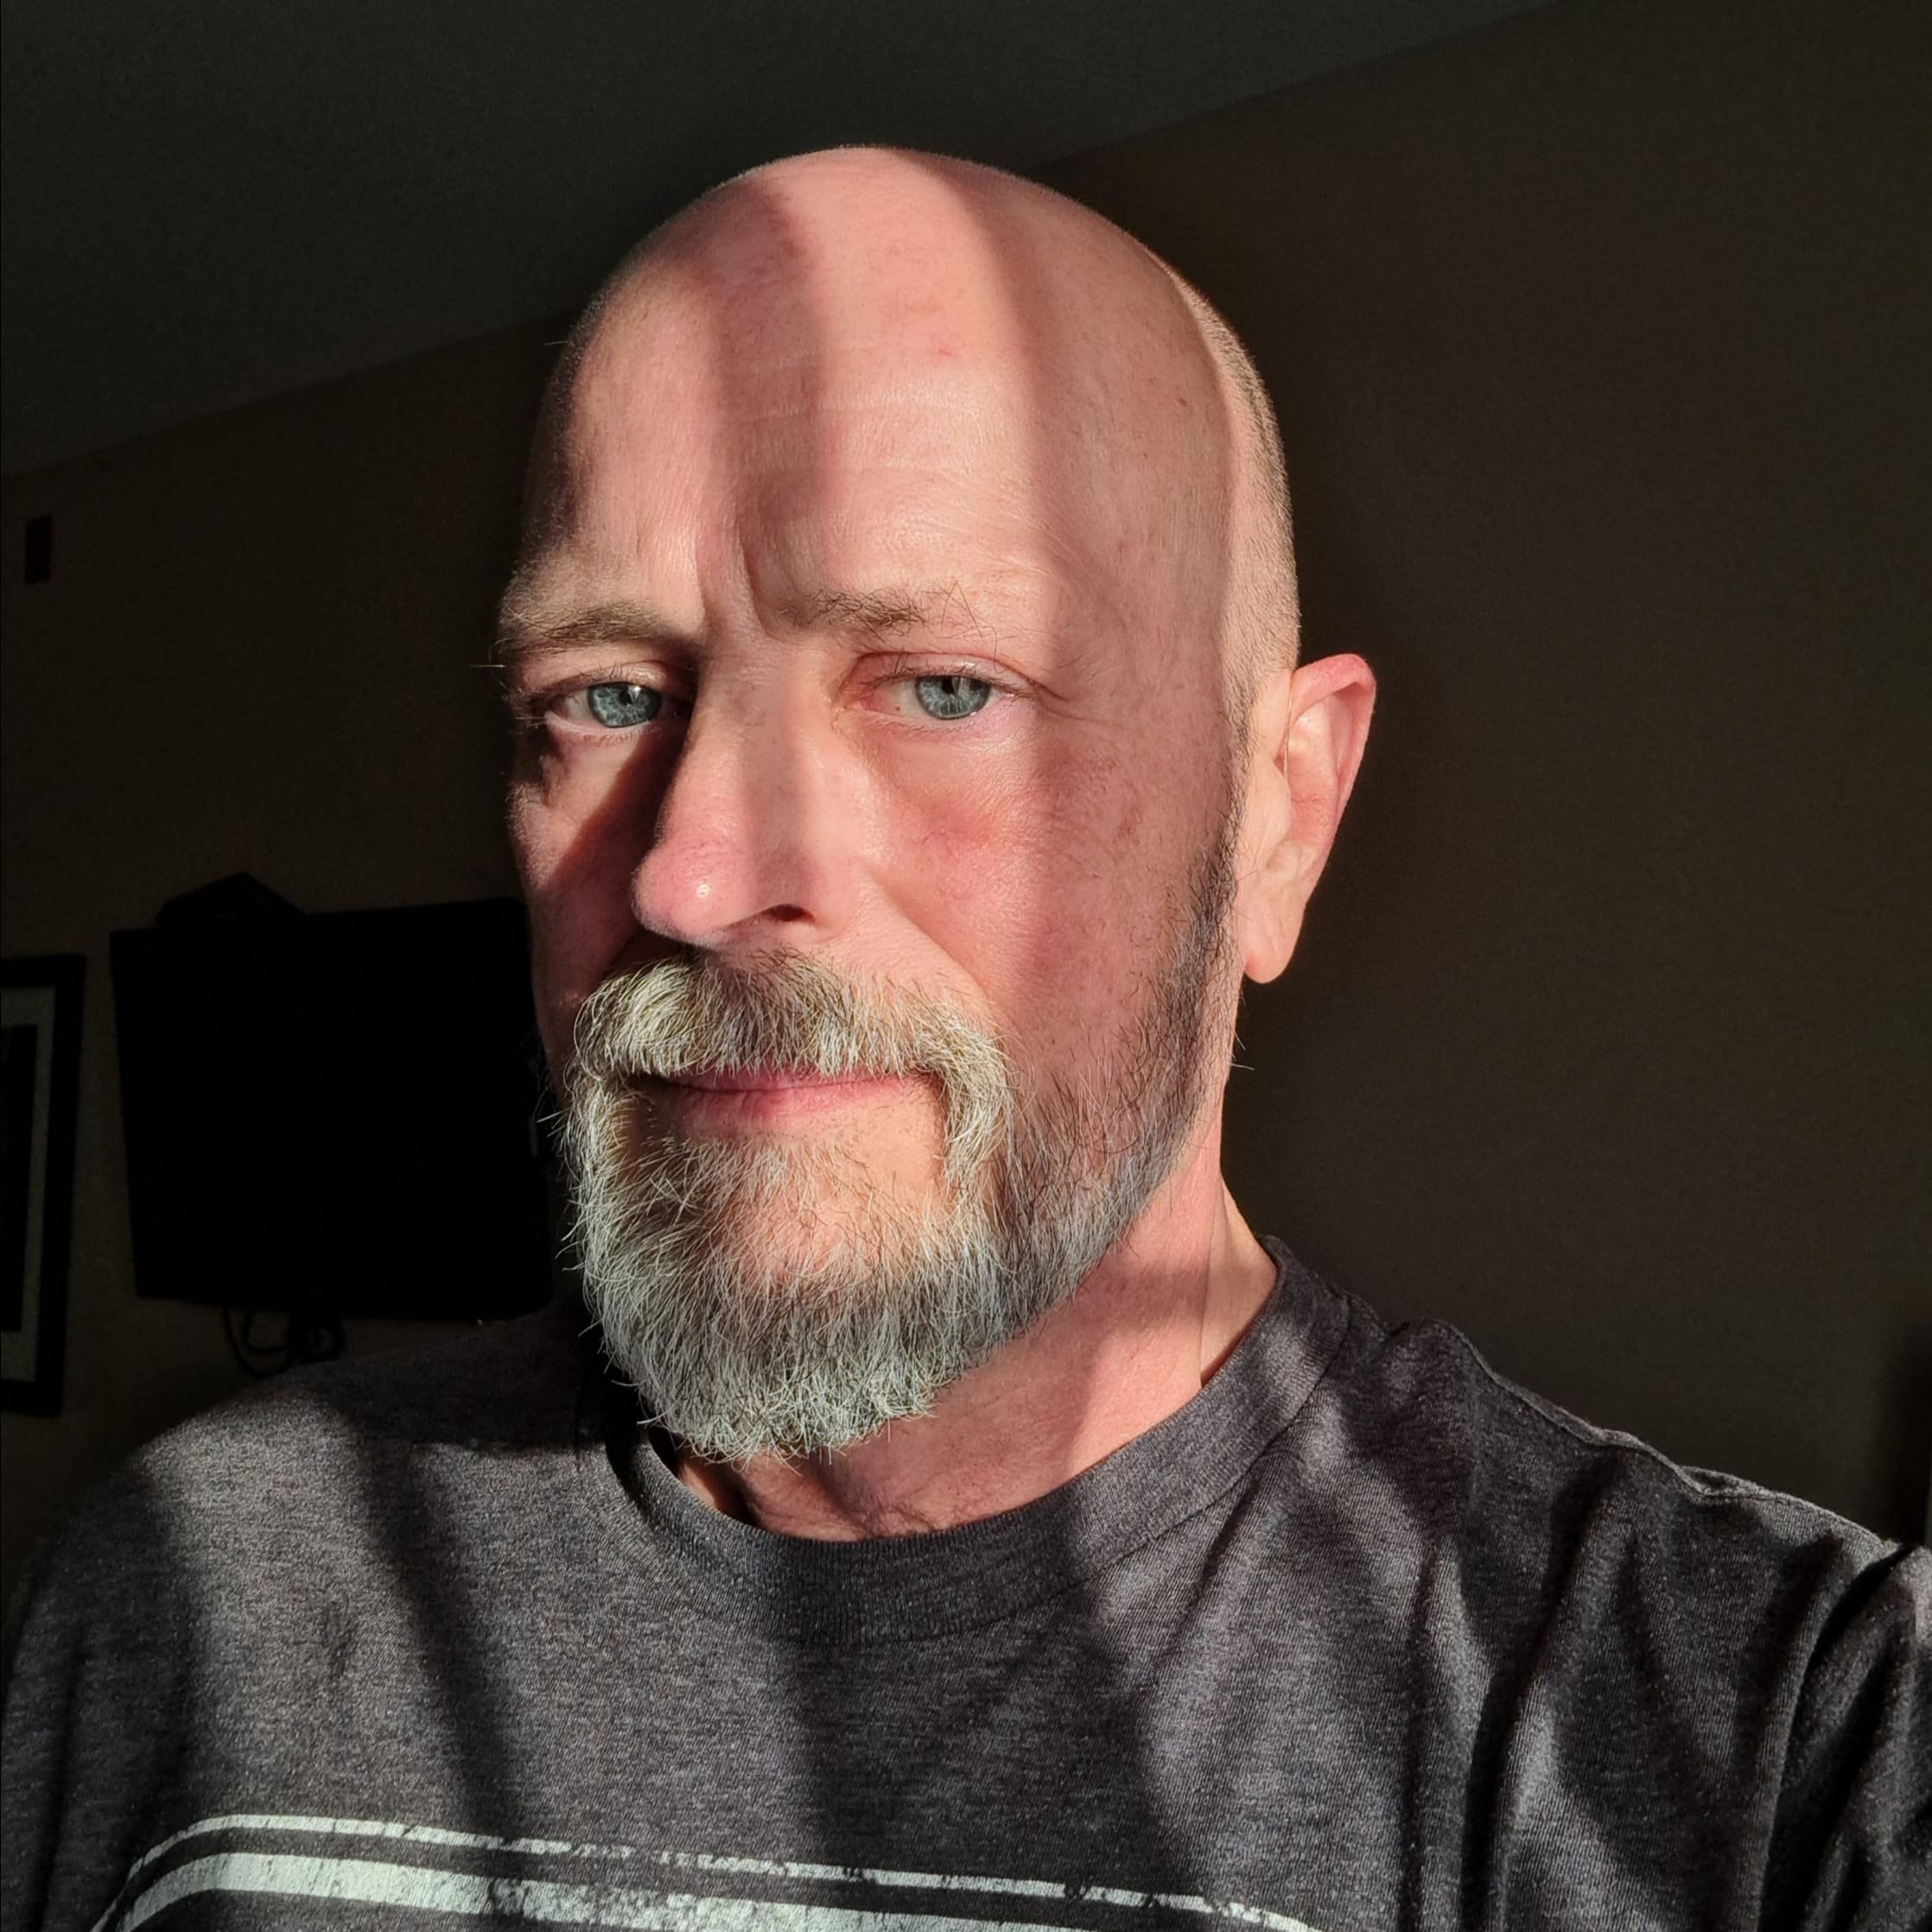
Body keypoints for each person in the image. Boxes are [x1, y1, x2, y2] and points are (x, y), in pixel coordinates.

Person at [2, 149, 1924, 1932]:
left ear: (1278, 815)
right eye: (603, 689)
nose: (685, 871)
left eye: (941, 683)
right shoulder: (199, 1578)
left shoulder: (1762, 1737)